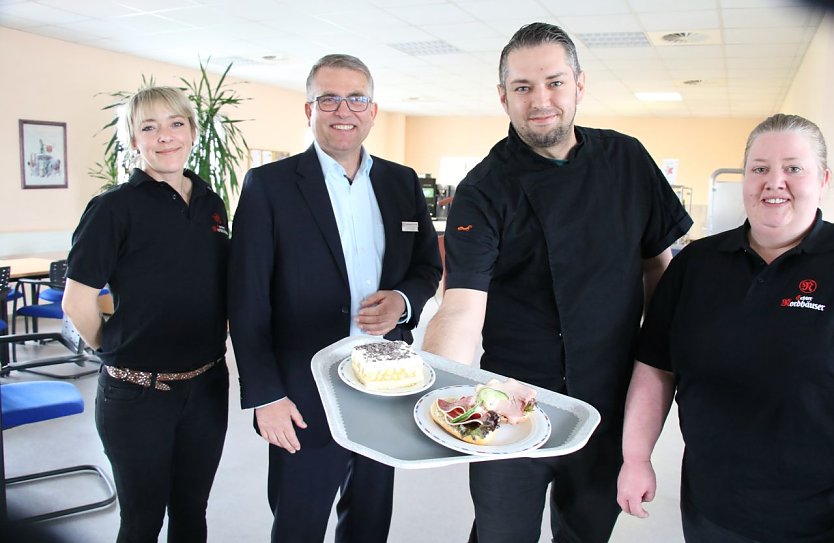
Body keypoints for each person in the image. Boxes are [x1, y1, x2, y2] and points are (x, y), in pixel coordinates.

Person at [421, 22, 693, 543]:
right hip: (511, 403)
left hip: (607, 399)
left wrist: (666, 362)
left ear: (579, 85)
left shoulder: (627, 160)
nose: (540, 100)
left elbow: (659, 267)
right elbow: (462, 306)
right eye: (523, 87)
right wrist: (435, 386)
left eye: (554, 82)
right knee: (501, 533)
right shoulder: (483, 189)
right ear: (503, 96)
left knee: (586, 531)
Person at [228, 54, 442, 542]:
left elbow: (427, 267)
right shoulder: (270, 187)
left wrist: (403, 301)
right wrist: (266, 396)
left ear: (373, 110)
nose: (343, 110)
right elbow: (247, 300)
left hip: (384, 387)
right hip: (302, 392)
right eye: (328, 99)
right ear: (309, 110)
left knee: (370, 521)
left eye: (356, 98)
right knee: (299, 522)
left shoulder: (401, 182)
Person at [617, 113, 834, 542]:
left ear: (823, 179)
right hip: (713, 508)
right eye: (760, 169)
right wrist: (636, 458)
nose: (774, 182)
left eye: (793, 168)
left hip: (818, 516)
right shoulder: (695, 266)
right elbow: (655, 366)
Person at [62, 86, 230, 542]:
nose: (165, 136)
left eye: (176, 124)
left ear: (192, 131)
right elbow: (77, 302)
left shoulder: (211, 204)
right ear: (134, 140)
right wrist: (119, 351)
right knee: (142, 523)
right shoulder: (113, 208)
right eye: (149, 127)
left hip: (207, 389)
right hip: (138, 396)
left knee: (192, 514)